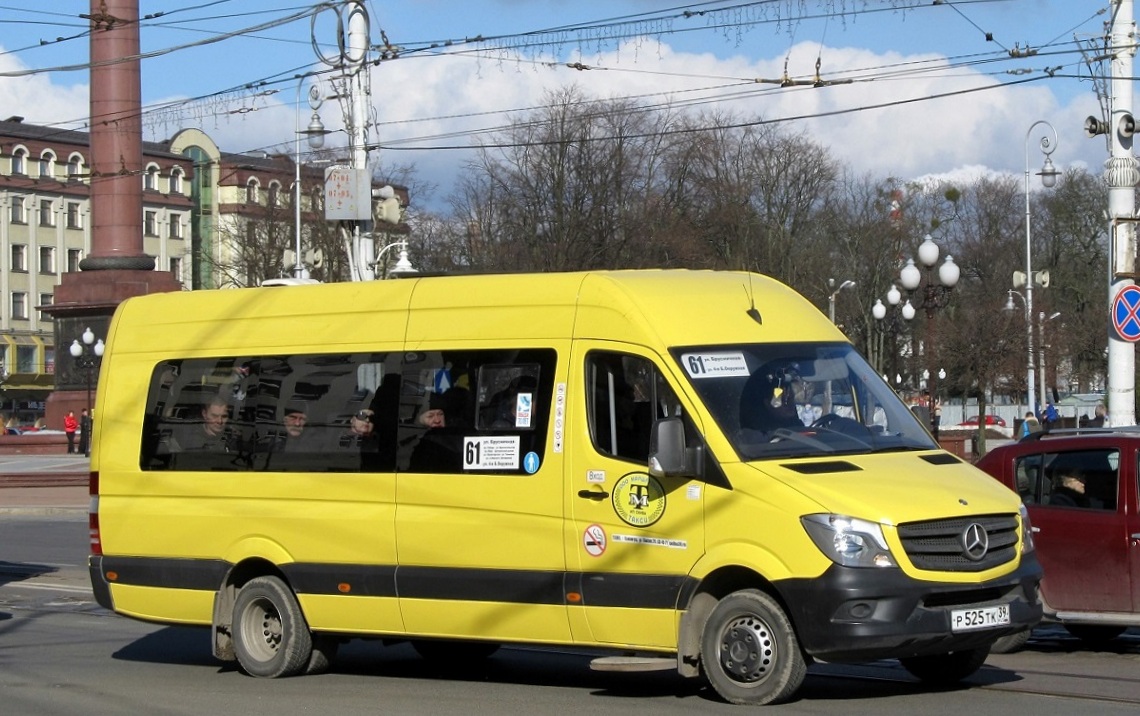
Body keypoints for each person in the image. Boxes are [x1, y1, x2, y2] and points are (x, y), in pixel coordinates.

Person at [738, 371, 805, 437]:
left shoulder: (801, 429)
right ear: (767, 403)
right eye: (782, 400)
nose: (789, 404)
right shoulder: (757, 435)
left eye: (791, 398)